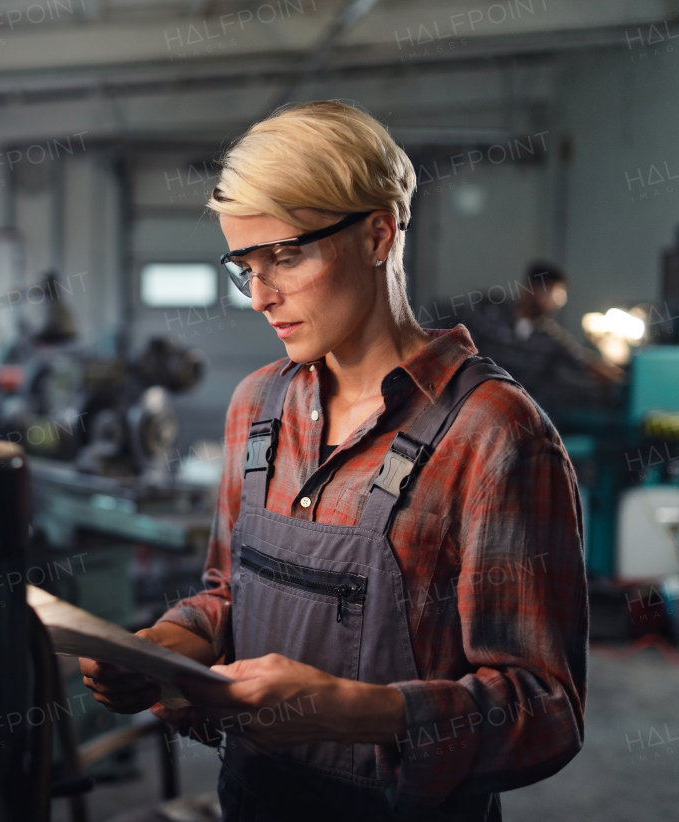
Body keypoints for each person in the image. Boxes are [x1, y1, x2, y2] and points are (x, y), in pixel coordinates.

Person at [79, 102, 587, 821]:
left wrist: (359, 712)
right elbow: (231, 593)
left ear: (379, 232)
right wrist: (170, 644)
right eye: (244, 267)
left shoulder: (495, 435)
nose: (260, 296)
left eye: (286, 256)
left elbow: (547, 710)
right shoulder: (256, 408)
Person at [457, 261, 624, 415]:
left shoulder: (550, 336)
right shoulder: (489, 314)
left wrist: (623, 381)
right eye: (553, 293)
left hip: (515, 414)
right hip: (471, 404)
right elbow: (457, 351)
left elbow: (582, 361)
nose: (557, 302)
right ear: (531, 287)